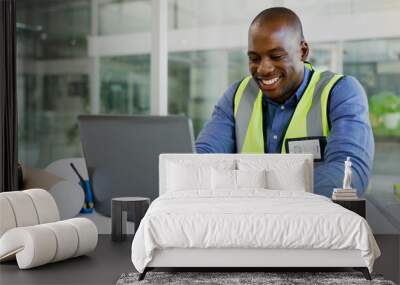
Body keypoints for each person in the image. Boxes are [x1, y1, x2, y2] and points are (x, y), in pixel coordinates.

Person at [195, 7, 374, 198]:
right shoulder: (236, 96)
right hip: (247, 223)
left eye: (276, 56)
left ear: (303, 51)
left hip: (314, 224)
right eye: (254, 58)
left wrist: (259, 192)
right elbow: (199, 163)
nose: (263, 69)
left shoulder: (340, 92)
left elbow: (350, 176)